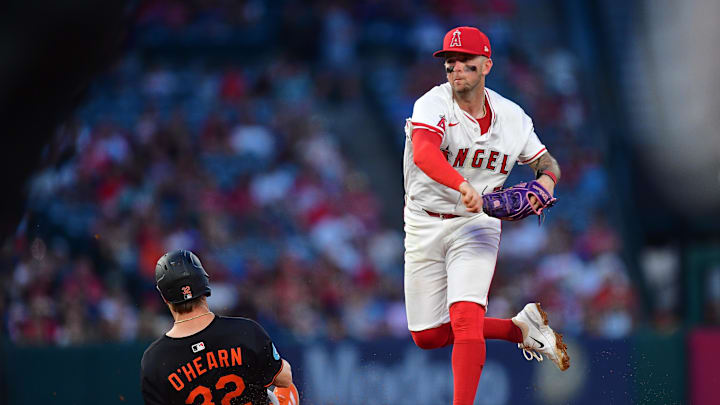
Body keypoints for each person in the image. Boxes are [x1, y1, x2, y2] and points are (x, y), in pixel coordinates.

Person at [403, 26, 570, 405]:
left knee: (464, 319)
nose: (456, 68)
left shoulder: (512, 118)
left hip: (476, 223)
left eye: (466, 61)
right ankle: (519, 330)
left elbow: (548, 162)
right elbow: (424, 154)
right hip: (423, 219)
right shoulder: (432, 104)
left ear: (487, 65)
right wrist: (462, 184)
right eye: (450, 62)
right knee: (426, 336)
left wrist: (547, 181)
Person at [140, 249, 298, 405]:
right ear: (204, 282)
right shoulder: (245, 331)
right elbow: (284, 379)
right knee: (286, 390)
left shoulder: (154, 359)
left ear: (165, 298)